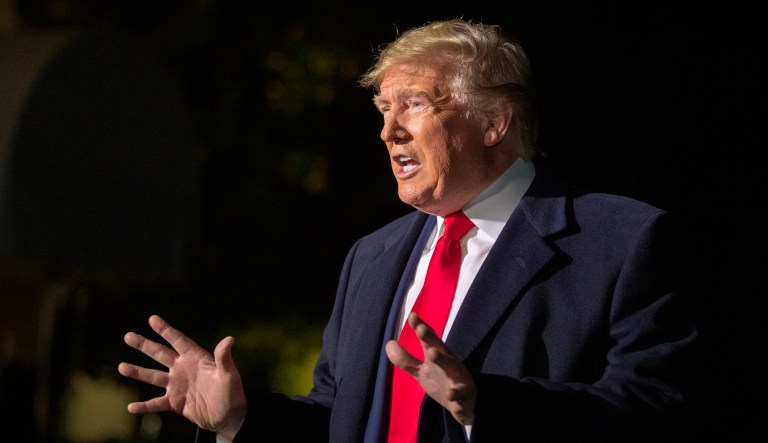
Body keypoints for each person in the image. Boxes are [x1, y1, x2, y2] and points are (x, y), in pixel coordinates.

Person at [118, 18, 699, 442]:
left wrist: (484, 408)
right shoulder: (372, 257)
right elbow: (341, 418)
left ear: (493, 121)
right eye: (383, 110)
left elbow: (656, 409)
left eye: (413, 104)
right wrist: (239, 418)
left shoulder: (621, 240)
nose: (388, 132)